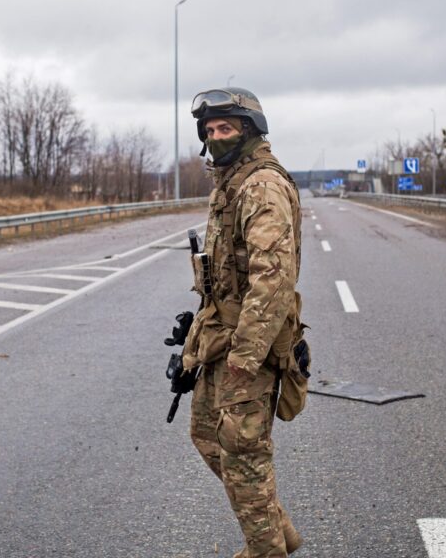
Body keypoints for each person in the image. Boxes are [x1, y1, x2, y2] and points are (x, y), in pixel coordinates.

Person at [179, 87, 305, 558]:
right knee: (207, 435)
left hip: (249, 348)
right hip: (222, 340)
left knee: (244, 454)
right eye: (209, 130)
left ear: (249, 130)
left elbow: (272, 280)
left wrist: (245, 359)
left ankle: (266, 550)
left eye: (225, 128)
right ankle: (278, 531)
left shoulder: (261, 186)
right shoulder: (232, 182)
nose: (216, 137)